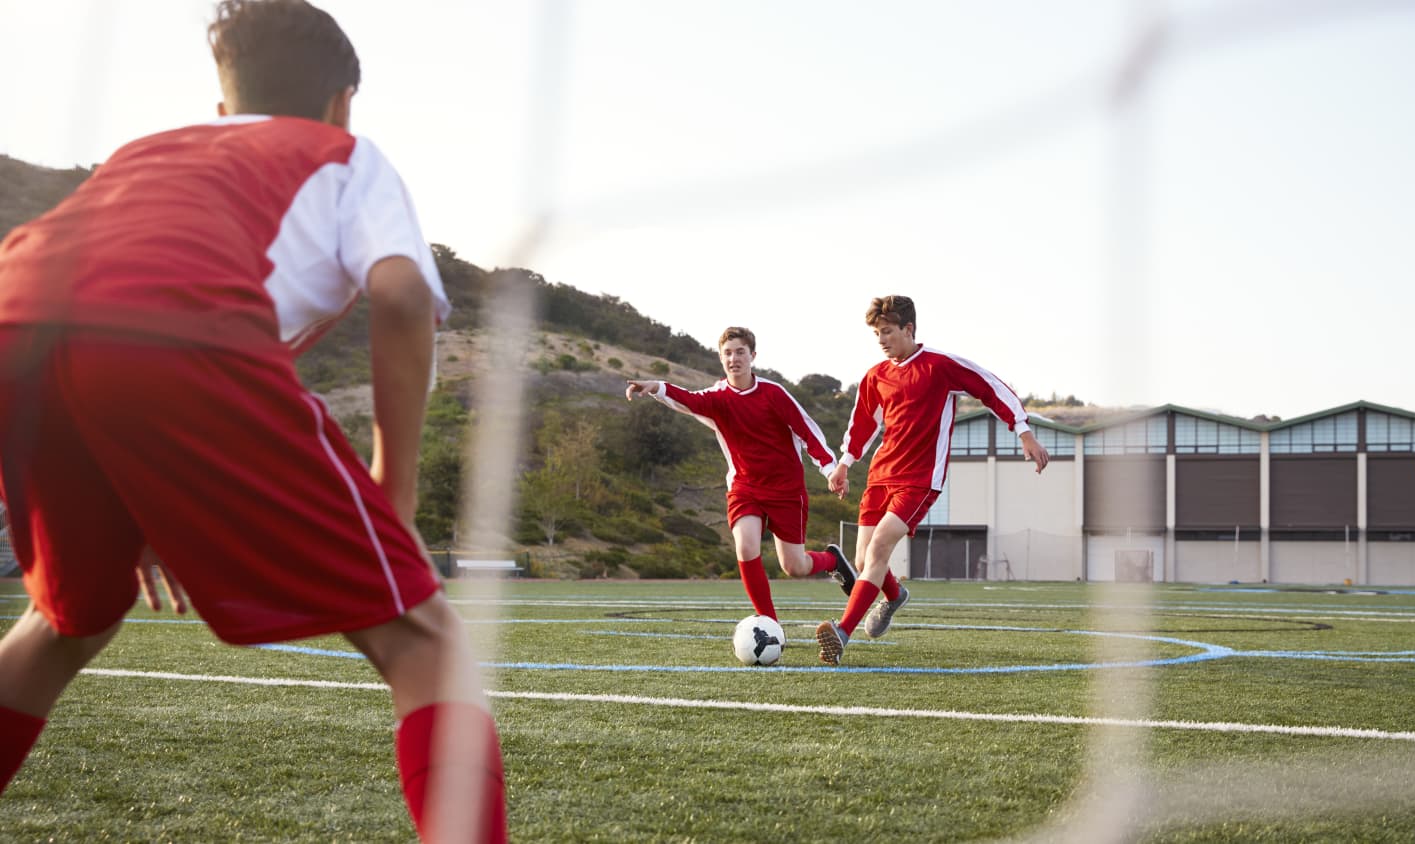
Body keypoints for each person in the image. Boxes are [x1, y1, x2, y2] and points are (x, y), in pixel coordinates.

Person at [0, 2, 505, 841]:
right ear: (343, 102)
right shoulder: (346, 155)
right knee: (427, 642)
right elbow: (402, 293)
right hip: (170, 337)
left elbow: (93, 297)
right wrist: (396, 493)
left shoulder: (144, 153)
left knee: (62, 620)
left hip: (18, 321)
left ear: (224, 108)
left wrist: (153, 494)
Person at [819, 295, 1049, 666]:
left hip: (919, 479)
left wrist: (1023, 431)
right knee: (863, 561)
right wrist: (844, 463)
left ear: (909, 329)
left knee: (878, 550)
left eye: (888, 331)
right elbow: (863, 424)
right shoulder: (875, 376)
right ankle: (894, 597)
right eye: (877, 333)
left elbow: (992, 388)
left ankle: (841, 633)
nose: (881, 339)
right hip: (880, 476)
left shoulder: (940, 366)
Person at [625, 326, 858, 623]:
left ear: (753, 356)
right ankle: (770, 624)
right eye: (727, 353)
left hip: (786, 490)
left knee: (794, 566)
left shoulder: (774, 394)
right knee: (746, 546)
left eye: (740, 352)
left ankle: (832, 560)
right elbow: (688, 399)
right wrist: (655, 387)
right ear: (721, 359)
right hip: (744, 487)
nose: (733, 358)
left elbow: (807, 431)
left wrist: (829, 469)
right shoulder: (717, 397)